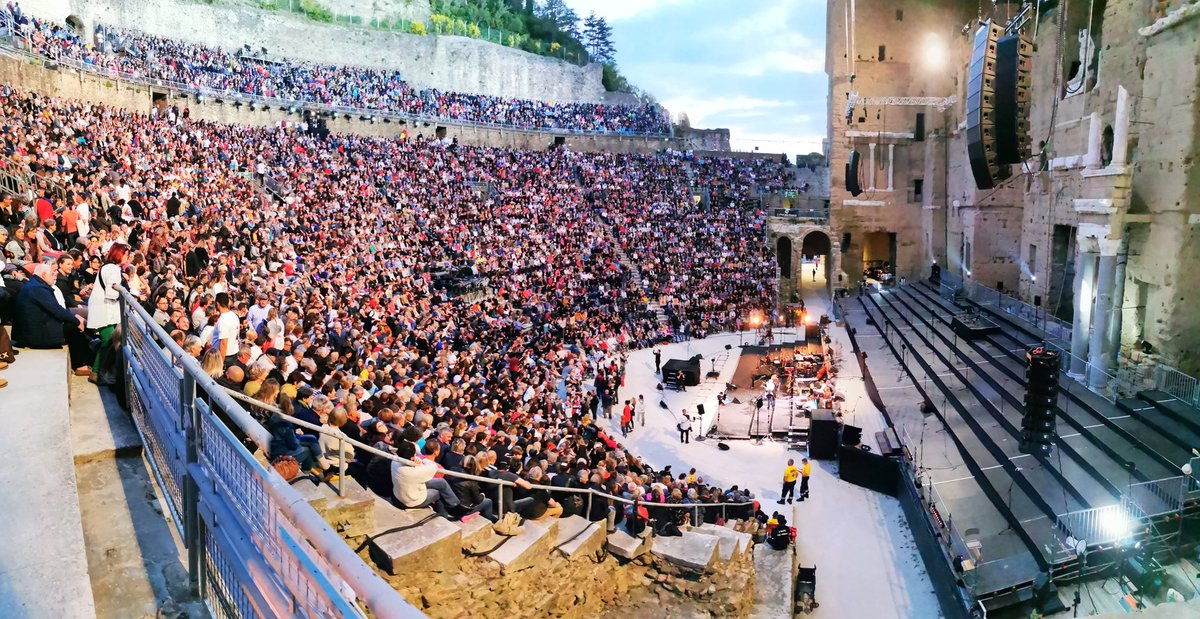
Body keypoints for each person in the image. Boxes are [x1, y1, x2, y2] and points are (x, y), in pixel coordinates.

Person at [11, 263, 86, 349]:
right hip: (34, 336)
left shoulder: (34, 284)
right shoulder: (38, 288)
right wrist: (76, 320)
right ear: (43, 275)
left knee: (74, 321)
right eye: (52, 274)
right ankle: (82, 360)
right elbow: (57, 310)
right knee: (73, 325)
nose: (55, 277)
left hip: (28, 333)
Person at [85, 243, 127, 383]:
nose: (127, 257)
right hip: (105, 309)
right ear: (119, 254)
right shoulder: (113, 269)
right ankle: (97, 373)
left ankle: (99, 373)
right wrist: (124, 294)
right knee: (108, 342)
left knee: (108, 342)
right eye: (125, 254)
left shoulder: (108, 267)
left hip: (104, 309)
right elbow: (111, 293)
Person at [391, 440, 462, 518]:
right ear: (411, 457)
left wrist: (416, 459)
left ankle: (455, 505)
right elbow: (433, 466)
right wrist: (422, 460)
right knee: (438, 492)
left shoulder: (395, 461)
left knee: (441, 482)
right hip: (410, 501)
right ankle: (444, 516)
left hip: (403, 492)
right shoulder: (413, 472)